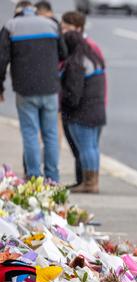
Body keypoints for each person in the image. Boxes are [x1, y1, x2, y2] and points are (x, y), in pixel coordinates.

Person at [0, 1, 67, 182]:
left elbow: (2, 60)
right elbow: (63, 53)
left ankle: (35, 177)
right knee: (51, 134)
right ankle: (53, 178)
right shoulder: (52, 24)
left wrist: (0, 87)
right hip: (50, 88)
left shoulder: (11, 26)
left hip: (25, 89)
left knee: (30, 133)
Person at [60, 11, 107, 189]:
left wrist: (65, 104)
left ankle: (88, 183)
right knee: (93, 147)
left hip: (82, 113)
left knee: (85, 148)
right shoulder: (93, 58)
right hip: (97, 109)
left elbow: (73, 92)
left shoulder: (76, 62)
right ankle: (93, 181)